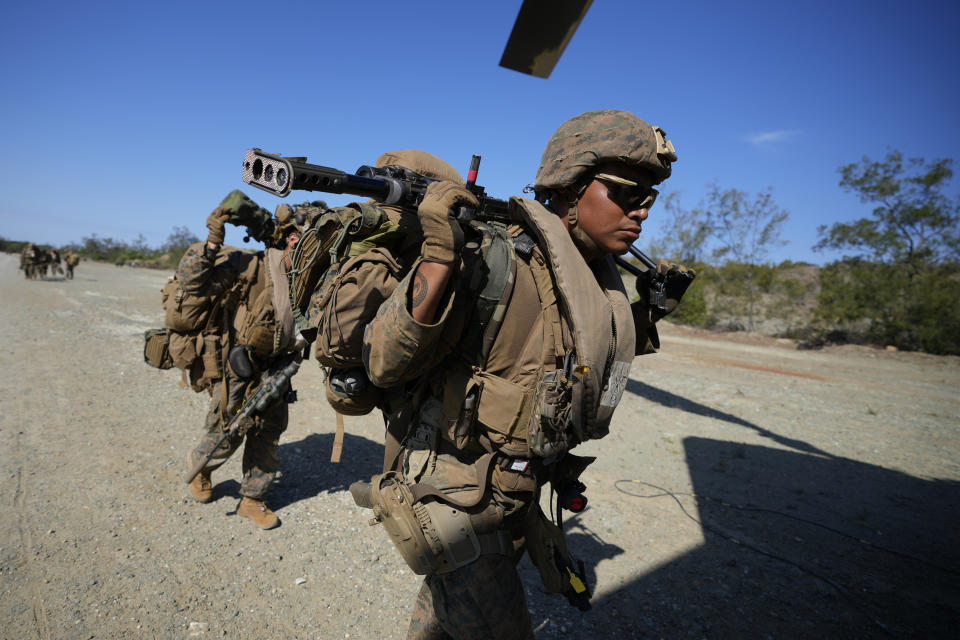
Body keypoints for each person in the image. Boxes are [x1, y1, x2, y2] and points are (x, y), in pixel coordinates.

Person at [357, 110, 695, 639]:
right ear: (569, 185)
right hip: (457, 496)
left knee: (442, 622)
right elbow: (382, 361)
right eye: (628, 193)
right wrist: (441, 254)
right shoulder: (494, 260)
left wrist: (646, 315)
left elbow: (581, 368)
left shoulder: (588, 276)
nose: (643, 211)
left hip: (518, 490)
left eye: (651, 198)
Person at [182, 194, 306, 530]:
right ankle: (203, 467)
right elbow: (193, 283)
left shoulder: (315, 278)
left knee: (269, 431)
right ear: (290, 238)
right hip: (239, 362)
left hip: (280, 366)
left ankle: (252, 499)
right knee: (228, 426)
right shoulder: (254, 265)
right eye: (303, 238)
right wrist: (211, 243)